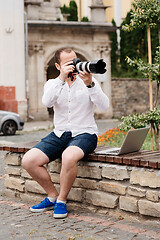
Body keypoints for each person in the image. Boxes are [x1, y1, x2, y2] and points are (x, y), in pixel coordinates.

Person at [22, 47, 109, 219]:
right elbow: (47, 102)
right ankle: (52, 196)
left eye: (75, 60)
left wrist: (90, 84)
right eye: (69, 63)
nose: (74, 65)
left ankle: (61, 200)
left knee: (68, 157)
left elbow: (105, 106)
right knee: (29, 160)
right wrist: (61, 79)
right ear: (58, 65)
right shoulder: (52, 84)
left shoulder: (89, 81)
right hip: (59, 133)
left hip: (85, 133)